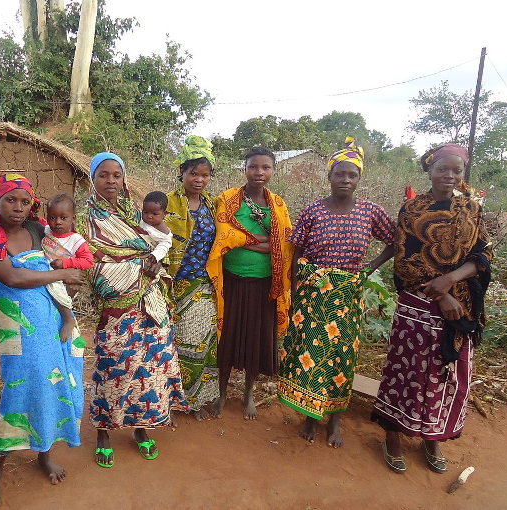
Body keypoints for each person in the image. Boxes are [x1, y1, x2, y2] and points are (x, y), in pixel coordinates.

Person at [0, 174, 85, 507]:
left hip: (52, 317)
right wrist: (62, 274)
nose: (17, 207)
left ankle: (43, 454)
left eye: (24, 201)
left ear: (32, 204)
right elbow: (13, 278)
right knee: (21, 387)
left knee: (56, 382)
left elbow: (69, 248)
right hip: (18, 327)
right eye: (10, 200)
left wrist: (67, 282)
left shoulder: (35, 230)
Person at [371, 144, 492, 474]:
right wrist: (441, 295)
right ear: (429, 169)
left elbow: (482, 255)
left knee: (443, 374)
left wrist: (451, 280)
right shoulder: (412, 209)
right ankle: (393, 435)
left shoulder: (471, 208)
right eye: (442, 169)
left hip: (460, 307)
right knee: (407, 371)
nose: (449, 176)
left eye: (456, 171)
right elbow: (405, 262)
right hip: (418, 305)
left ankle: (431, 436)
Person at [277, 137, 396, 447]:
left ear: (359, 178)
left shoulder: (370, 211)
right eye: (339, 174)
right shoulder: (313, 210)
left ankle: (335, 420)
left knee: (342, 356)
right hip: (313, 293)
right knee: (311, 355)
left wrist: (370, 267)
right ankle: (311, 417)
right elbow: (296, 250)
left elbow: (395, 241)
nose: (345, 180)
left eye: (352, 175)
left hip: (346, 294)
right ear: (329, 177)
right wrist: (292, 292)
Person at [79, 152, 188, 468]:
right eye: (103, 175)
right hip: (116, 311)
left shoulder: (137, 214)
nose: (111, 180)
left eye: (116, 174)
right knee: (112, 371)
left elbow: (163, 251)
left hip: (151, 308)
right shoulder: (89, 219)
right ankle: (103, 432)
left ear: (123, 178)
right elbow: (96, 268)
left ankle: (141, 428)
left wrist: (149, 264)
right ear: (93, 179)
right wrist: (143, 264)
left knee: (149, 371)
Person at [206, 146, 294, 420]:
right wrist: (261, 243)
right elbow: (225, 235)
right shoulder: (228, 199)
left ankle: (248, 395)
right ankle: (221, 393)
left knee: (256, 340)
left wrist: (252, 242)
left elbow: (284, 243)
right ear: (244, 169)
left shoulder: (278, 205)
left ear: (273, 171)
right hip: (231, 281)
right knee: (227, 339)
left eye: (265, 167)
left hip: (265, 285)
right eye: (253, 167)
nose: (259, 172)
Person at [165, 135, 220, 420]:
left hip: (204, 284)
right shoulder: (168, 203)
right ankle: (171, 402)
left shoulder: (213, 206)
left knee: (202, 345)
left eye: (205, 174)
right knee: (173, 343)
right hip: (174, 284)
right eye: (193, 173)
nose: (199, 179)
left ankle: (195, 400)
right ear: (182, 173)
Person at [140, 191, 173, 263]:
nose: (149, 216)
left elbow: (165, 245)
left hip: (149, 257)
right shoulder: (139, 219)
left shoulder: (164, 232)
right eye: (145, 212)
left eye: (155, 214)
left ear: (164, 214)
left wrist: (155, 255)